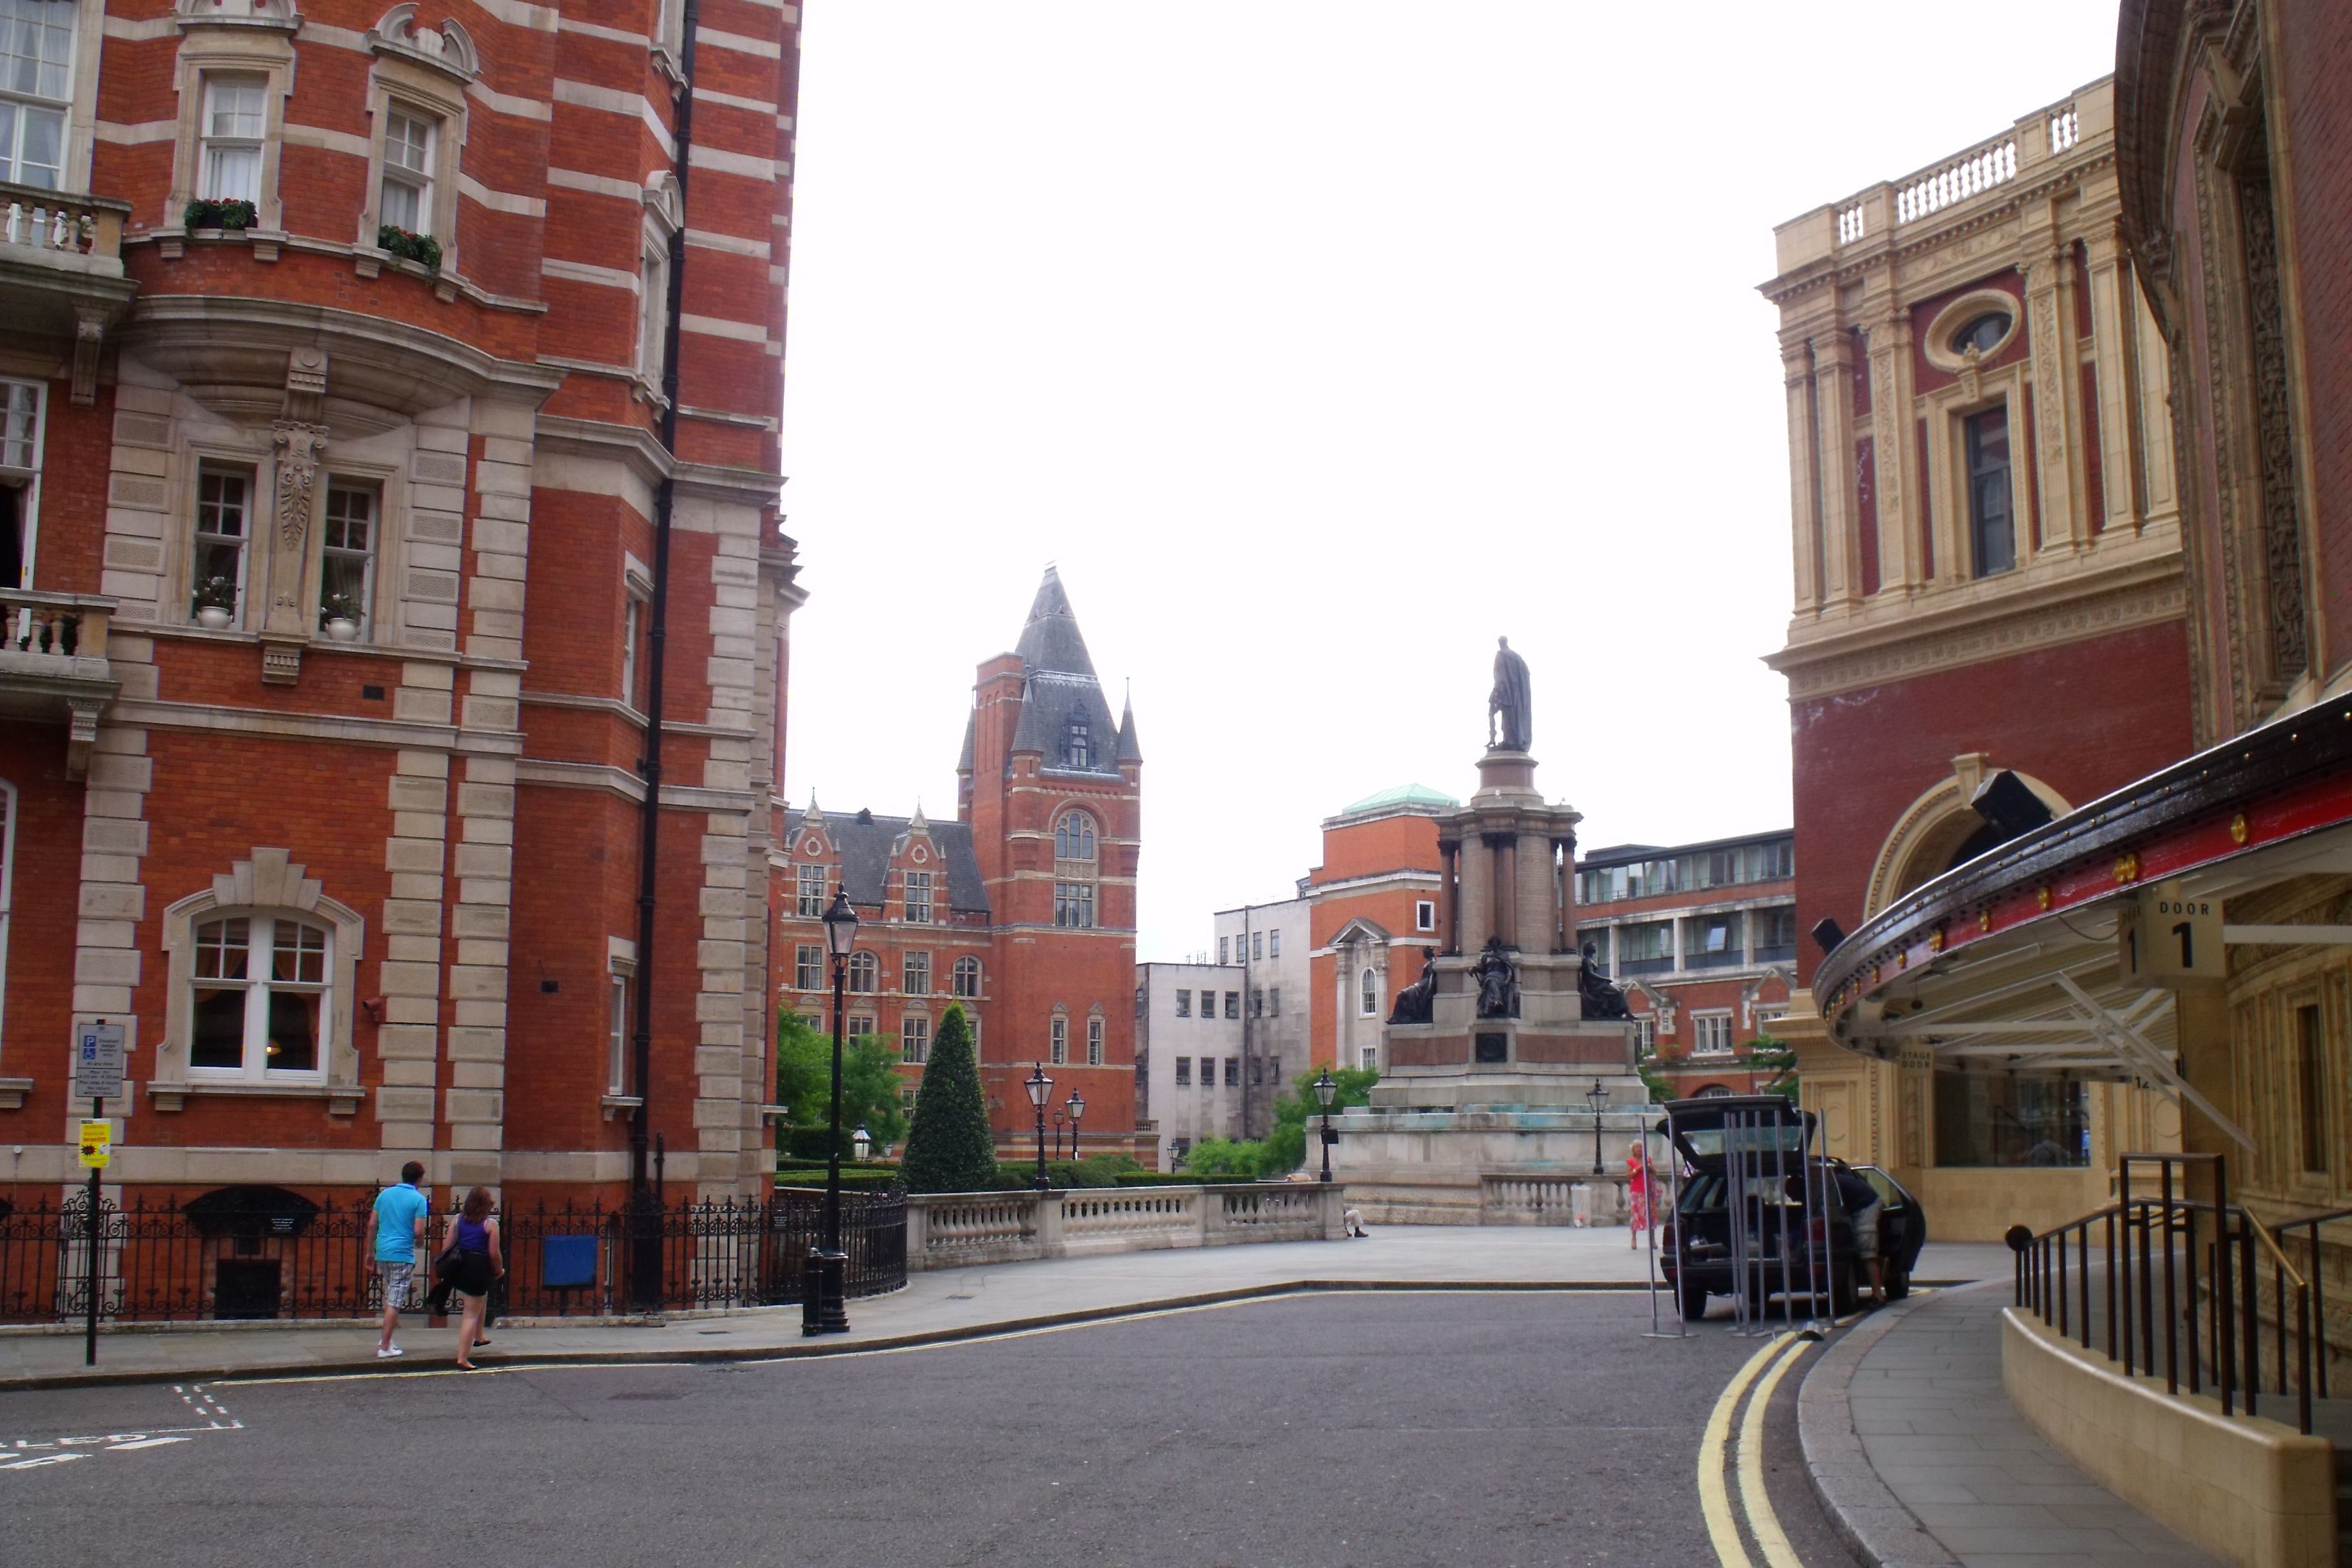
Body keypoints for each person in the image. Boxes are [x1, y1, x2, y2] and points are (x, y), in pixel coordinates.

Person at [435, 1186, 504, 1369]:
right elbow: (494, 1253)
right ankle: (463, 1358)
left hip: (460, 1266)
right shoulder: (490, 1224)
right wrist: (500, 1270)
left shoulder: (457, 1220)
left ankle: (479, 1336)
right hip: (478, 1267)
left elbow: (446, 1247)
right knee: (470, 1314)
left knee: (480, 1298)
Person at [370, 1161, 428, 1358]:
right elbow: (418, 1231)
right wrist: (420, 1242)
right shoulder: (418, 1200)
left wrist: (369, 1252)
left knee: (390, 1296)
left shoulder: (384, 1195)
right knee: (395, 1301)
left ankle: (387, 1340)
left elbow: (372, 1225)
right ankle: (385, 1346)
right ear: (419, 1179)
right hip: (402, 1254)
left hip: (383, 1252)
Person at [1831, 1164, 1886, 1307]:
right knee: (1867, 1251)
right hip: (1865, 1205)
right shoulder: (1833, 1179)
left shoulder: (1830, 1183)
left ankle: (1878, 1296)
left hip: (1867, 1207)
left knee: (1868, 1252)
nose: (1794, 1200)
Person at [1625, 1139, 1652, 1250]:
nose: (1640, 1149)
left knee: (1650, 1214)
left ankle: (1652, 1239)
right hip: (1636, 1190)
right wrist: (1638, 1169)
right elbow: (1629, 1175)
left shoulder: (1648, 1159)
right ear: (1633, 1149)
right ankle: (1634, 1238)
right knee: (1636, 1215)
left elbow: (1655, 1172)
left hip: (1648, 1189)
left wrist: (1650, 1167)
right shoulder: (1631, 1161)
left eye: (1641, 1147)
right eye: (1637, 1147)